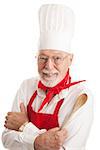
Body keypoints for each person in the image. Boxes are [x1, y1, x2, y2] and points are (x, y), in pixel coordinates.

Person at [2, 4, 93, 150]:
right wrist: (39, 141)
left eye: (57, 58)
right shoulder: (26, 87)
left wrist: (25, 127)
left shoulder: (81, 96)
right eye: (43, 58)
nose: (48, 66)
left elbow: (63, 149)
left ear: (70, 60)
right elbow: (6, 139)